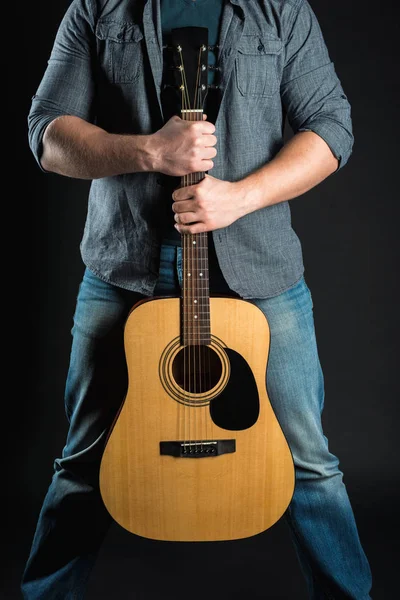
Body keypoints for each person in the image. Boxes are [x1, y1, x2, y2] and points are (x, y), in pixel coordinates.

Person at [23, 0, 373, 598]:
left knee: (311, 465)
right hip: (125, 268)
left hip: (257, 270)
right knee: (83, 464)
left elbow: (332, 126)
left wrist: (239, 198)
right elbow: (48, 135)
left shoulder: (280, 10)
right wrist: (151, 152)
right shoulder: (98, 9)